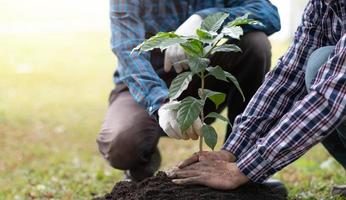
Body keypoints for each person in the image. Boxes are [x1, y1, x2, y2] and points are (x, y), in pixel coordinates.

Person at [169, 0, 346, 196]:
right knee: (317, 64)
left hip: (335, 93)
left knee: (321, 66)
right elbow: (288, 78)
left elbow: (331, 95)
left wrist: (244, 168)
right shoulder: (321, 6)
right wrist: (232, 151)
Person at [96, 0, 280, 182]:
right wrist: (161, 102)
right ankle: (143, 159)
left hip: (203, 78)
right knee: (122, 145)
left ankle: (240, 160)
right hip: (145, 82)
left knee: (256, 44)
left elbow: (269, 13)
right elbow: (128, 50)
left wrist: (203, 19)